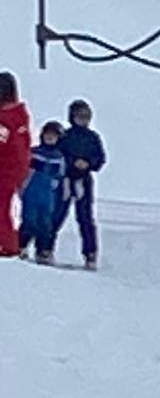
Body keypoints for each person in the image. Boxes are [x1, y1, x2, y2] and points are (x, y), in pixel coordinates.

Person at [56, 98, 106, 269]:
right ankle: (45, 247)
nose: (84, 120)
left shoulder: (93, 138)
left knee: (85, 218)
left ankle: (90, 253)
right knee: (57, 214)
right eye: (80, 116)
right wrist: (72, 162)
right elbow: (59, 154)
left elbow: (100, 158)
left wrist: (89, 163)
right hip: (66, 179)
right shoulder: (65, 136)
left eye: (86, 116)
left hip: (84, 180)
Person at [19, 121, 68, 263]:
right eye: (48, 135)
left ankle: (43, 250)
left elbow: (61, 176)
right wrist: (22, 187)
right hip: (32, 191)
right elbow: (24, 170)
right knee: (29, 220)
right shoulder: (34, 153)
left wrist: (63, 190)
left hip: (48, 195)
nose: (50, 138)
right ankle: (21, 246)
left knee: (45, 223)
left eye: (54, 136)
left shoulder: (59, 157)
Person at [0, 71, 32, 258]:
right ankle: (8, 244)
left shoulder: (5, 119)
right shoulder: (19, 116)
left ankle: (7, 246)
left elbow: (3, 143)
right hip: (13, 170)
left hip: (4, 170)